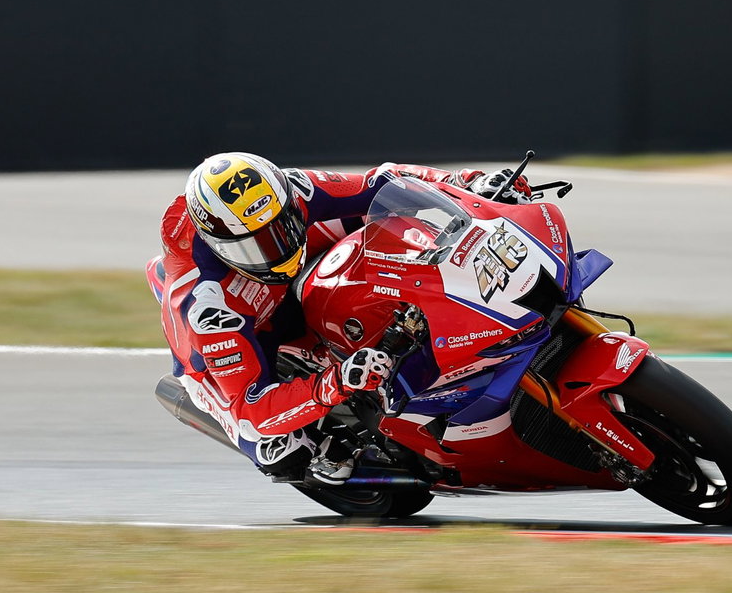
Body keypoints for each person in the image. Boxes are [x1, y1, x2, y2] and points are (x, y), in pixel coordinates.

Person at [150, 153, 531, 484]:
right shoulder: (207, 307)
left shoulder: (292, 190)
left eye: (282, 227)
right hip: (243, 333)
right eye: (258, 244)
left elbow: (382, 181)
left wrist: (465, 182)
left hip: (287, 269)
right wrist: (335, 382)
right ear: (220, 245)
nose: (279, 247)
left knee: (384, 213)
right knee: (278, 448)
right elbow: (252, 410)